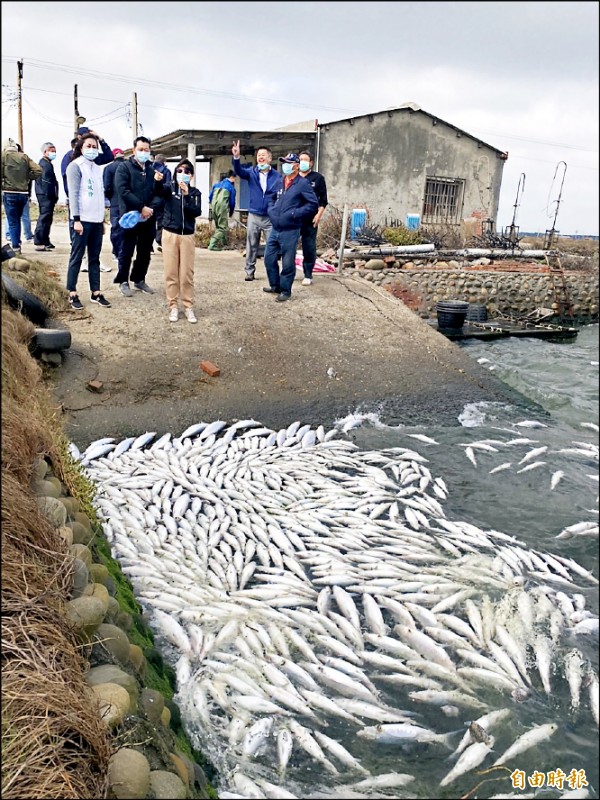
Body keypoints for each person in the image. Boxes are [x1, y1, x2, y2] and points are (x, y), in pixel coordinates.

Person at [64, 132, 111, 310]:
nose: (92, 149)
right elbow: (74, 195)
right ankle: (72, 292)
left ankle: (96, 292)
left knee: (95, 258)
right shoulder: (75, 166)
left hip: (96, 221)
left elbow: (99, 196)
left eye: (94, 146)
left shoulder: (97, 168)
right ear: (80, 148)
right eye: (88, 146)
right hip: (81, 221)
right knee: (76, 257)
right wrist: (76, 219)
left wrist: (102, 221)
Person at [263, 154, 318, 302]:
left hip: (290, 230)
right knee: (269, 258)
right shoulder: (280, 181)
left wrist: (295, 213)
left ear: (296, 165)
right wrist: (271, 210)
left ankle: (285, 290)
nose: (285, 165)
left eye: (288, 163)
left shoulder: (303, 183)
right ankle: (275, 286)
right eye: (283, 162)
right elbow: (270, 197)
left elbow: (312, 204)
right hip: (275, 228)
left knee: (288, 262)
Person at [113, 135, 162, 297]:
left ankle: (139, 279)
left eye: (146, 150)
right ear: (134, 150)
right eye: (140, 149)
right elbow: (123, 191)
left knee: (145, 251)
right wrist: (141, 207)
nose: (143, 152)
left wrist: (150, 209)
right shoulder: (124, 168)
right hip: (130, 217)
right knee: (126, 250)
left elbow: (157, 193)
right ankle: (123, 280)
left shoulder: (152, 170)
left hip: (148, 218)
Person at [156, 158, 203, 323]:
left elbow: (196, 211)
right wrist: (157, 181)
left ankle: (188, 306)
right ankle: (173, 306)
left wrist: (187, 195)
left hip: (187, 236)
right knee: (171, 273)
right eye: (180, 171)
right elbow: (158, 192)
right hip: (170, 234)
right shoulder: (169, 189)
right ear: (175, 173)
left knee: (186, 274)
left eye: (187, 171)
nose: (183, 174)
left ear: (191, 176)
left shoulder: (195, 193)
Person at [231, 140, 282, 281]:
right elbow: (238, 171)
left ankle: (272, 274)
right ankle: (249, 271)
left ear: (270, 158)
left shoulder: (278, 177)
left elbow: (280, 196)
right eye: (259, 155)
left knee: (271, 246)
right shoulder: (251, 173)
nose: (261, 157)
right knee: (252, 244)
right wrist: (236, 157)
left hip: (269, 217)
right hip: (253, 214)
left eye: (264, 155)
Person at [1, 138, 42, 254]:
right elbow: (38, 170)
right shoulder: (24, 157)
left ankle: (16, 247)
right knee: (19, 219)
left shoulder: (3, 156)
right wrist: (27, 177)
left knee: (12, 221)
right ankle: (18, 243)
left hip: (9, 192)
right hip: (23, 193)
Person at [298, 151, 328, 286]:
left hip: (311, 219)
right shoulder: (292, 177)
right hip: (294, 217)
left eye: (305, 160)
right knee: (288, 246)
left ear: (311, 163)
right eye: (300, 160)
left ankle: (308, 274)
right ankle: (288, 272)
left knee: (309, 246)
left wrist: (318, 215)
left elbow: (323, 200)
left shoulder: (318, 178)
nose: (302, 162)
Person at [33, 141, 59, 251]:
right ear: (45, 152)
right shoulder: (43, 164)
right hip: (45, 195)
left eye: (55, 151)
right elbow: (45, 182)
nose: (54, 153)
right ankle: (39, 241)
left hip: (49, 195)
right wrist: (49, 195)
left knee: (48, 218)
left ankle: (45, 240)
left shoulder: (48, 164)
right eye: (52, 151)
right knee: (44, 218)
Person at [103, 148, 126, 263]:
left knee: (116, 227)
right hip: (128, 202)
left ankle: (116, 252)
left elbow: (106, 187)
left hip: (115, 202)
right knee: (127, 227)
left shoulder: (108, 168)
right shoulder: (129, 167)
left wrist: (111, 197)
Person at [208, 170, 236, 251]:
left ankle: (224, 243)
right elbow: (232, 202)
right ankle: (212, 244)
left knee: (218, 226)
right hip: (222, 207)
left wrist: (212, 205)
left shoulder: (216, 184)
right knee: (222, 227)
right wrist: (231, 212)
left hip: (213, 206)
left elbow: (210, 197)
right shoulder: (231, 187)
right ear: (232, 177)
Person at [151, 153, 172, 252]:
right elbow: (168, 186)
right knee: (160, 222)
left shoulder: (149, 169)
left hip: (150, 200)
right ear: (164, 162)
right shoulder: (166, 171)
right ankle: (159, 241)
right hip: (161, 200)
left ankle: (148, 246)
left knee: (149, 223)